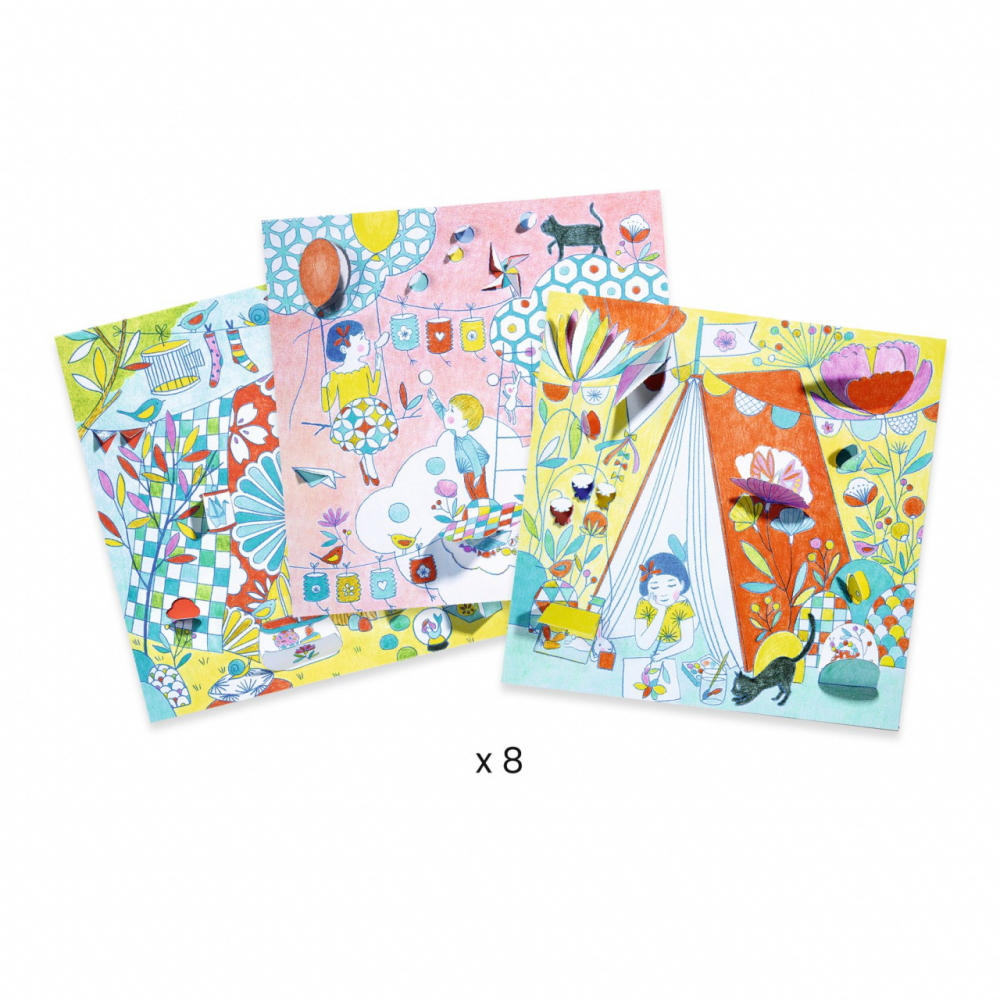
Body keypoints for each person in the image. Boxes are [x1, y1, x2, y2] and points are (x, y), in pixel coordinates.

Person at [321, 322, 397, 487]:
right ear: (344, 349)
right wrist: (324, 386)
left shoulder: (364, 367)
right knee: (366, 442)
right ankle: (370, 467)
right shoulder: (335, 375)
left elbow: (373, 390)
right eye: (361, 339)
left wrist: (377, 368)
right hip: (350, 417)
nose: (367, 341)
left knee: (369, 440)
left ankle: (366, 464)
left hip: (368, 412)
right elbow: (327, 406)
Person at [630, 552, 696, 701]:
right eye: (655, 586)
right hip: (650, 649)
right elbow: (643, 644)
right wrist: (660, 611)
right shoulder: (644, 604)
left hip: (676, 650)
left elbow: (687, 642)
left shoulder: (683, 604)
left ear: (682, 584)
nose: (664, 593)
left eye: (671, 585)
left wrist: (663, 654)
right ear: (647, 587)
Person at [427, 388, 490, 501]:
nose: (446, 413)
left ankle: (487, 507)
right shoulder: (457, 433)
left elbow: (474, 458)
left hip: (475, 469)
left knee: (479, 492)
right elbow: (443, 415)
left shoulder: (466, 442)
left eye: (451, 411)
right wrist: (435, 401)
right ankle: (478, 507)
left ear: (464, 422)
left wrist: (478, 475)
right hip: (468, 469)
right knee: (471, 490)